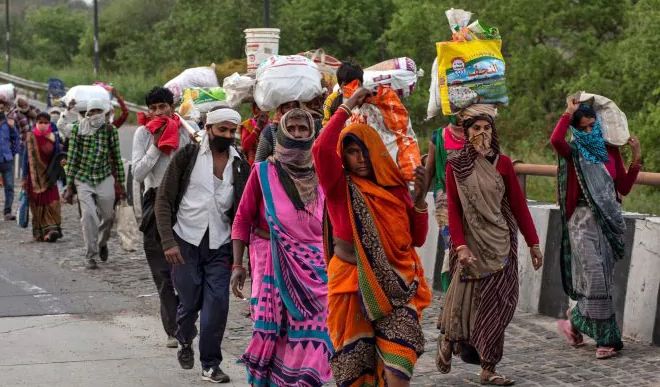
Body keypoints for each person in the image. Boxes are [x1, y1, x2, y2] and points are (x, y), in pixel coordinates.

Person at [313, 87, 431, 387]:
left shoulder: (395, 190)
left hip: (396, 286)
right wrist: (348, 105)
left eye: (365, 150)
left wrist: (420, 200)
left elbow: (415, 239)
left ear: (377, 150)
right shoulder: (340, 188)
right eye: (352, 152)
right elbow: (320, 150)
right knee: (356, 370)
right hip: (350, 285)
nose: (360, 158)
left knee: (399, 364)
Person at [436, 108, 543, 386]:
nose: (482, 133)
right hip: (471, 245)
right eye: (476, 129)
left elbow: (518, 206)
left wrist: (533, 243)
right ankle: (453, 343)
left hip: (501, 244)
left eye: (487, 128)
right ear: (467, 133)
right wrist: (459, 246)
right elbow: (454, 210)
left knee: (501, 303)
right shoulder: (456, 165)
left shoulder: (504, 164)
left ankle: (487, 365)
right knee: (466, 303)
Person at [230, 108, 332, 386]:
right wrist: (238, 266)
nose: (298, 134)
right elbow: (241, 219)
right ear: (283, 133)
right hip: (269, 259)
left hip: (315, 266)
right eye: (293, 129)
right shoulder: (262, 172)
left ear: (312, 133)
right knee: (275, 329)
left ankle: (304, 381)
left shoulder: (323, 172)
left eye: (303, 129)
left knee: (315, 328)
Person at [155, 108, 249, 383]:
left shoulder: (239, 163)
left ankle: (211, 364)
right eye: (222, 130)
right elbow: (164, 200)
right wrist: (168, 242)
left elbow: (242, 213)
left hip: (220, 244)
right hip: (185, 242)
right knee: (189, 303)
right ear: (209, 129)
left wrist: (241, 257)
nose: (228, 136)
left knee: (217, 306)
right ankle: (184, 338)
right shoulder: (188, 157)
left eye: (232, 131)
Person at [551, 99, 641, 360]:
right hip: (581, 221)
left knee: (601, 280)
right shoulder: (574, 151)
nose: (590, 132)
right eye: (584, 128)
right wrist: (567, 111)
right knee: (595, 276)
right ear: (576, 129)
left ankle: (575, 320)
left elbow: (622, 187)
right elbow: (555, 139)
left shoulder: (610, 152)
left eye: (593, 126)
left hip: (608, 222)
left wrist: (636, 157)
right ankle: (607, 339)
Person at [132, 87, 191, 349]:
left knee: (186, 268)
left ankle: (187, 316)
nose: (158, 113)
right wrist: (156, 146)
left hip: (183, 202)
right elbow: (138, 173)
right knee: (162, 270)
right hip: (155, 202)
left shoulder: (185, 131)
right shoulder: (142, 134)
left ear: (171, 107)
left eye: (162, 107)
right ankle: (173, 328)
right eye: (153, 108)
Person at [63, 98, 125, 270]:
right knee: (89, 216)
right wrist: (69, 187)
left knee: (108, 216)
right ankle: (90, 255)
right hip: (83, 178)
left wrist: (121, 184)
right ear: (87, 113)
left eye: (99, 111)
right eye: (93, 112)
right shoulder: (78, 129)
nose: (96, 115)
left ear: (104, 113)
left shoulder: (110, 130)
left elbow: (117, 158)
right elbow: (72, 157)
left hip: (104, 176)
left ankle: (102, 242)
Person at [21, 112, 64, 241]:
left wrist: (61, 166)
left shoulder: (53, 137)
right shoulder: (31, 137)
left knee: (52, 202)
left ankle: (51, 230)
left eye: (46, 123)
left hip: (50, 177)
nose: (43, 125)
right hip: (34, 178)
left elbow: (58, 155)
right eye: (40, 122)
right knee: (38, 204)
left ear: (50, 124)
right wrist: (24, 177)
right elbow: (25, 159)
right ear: (36, 123)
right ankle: (41, 232)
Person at [322, 60, 363, 126]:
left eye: (356, 84)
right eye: (348, 84)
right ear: (341, 85)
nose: (353, 88)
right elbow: (326, 126)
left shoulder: (368, 101)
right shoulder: (332, 101)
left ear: (361, 84)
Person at [0, 102, 19, 221]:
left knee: (10, 186)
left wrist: (12, 152)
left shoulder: (9, 123)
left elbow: (16, 138)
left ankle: (7, 211)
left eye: (1, 108)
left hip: (7, 159)